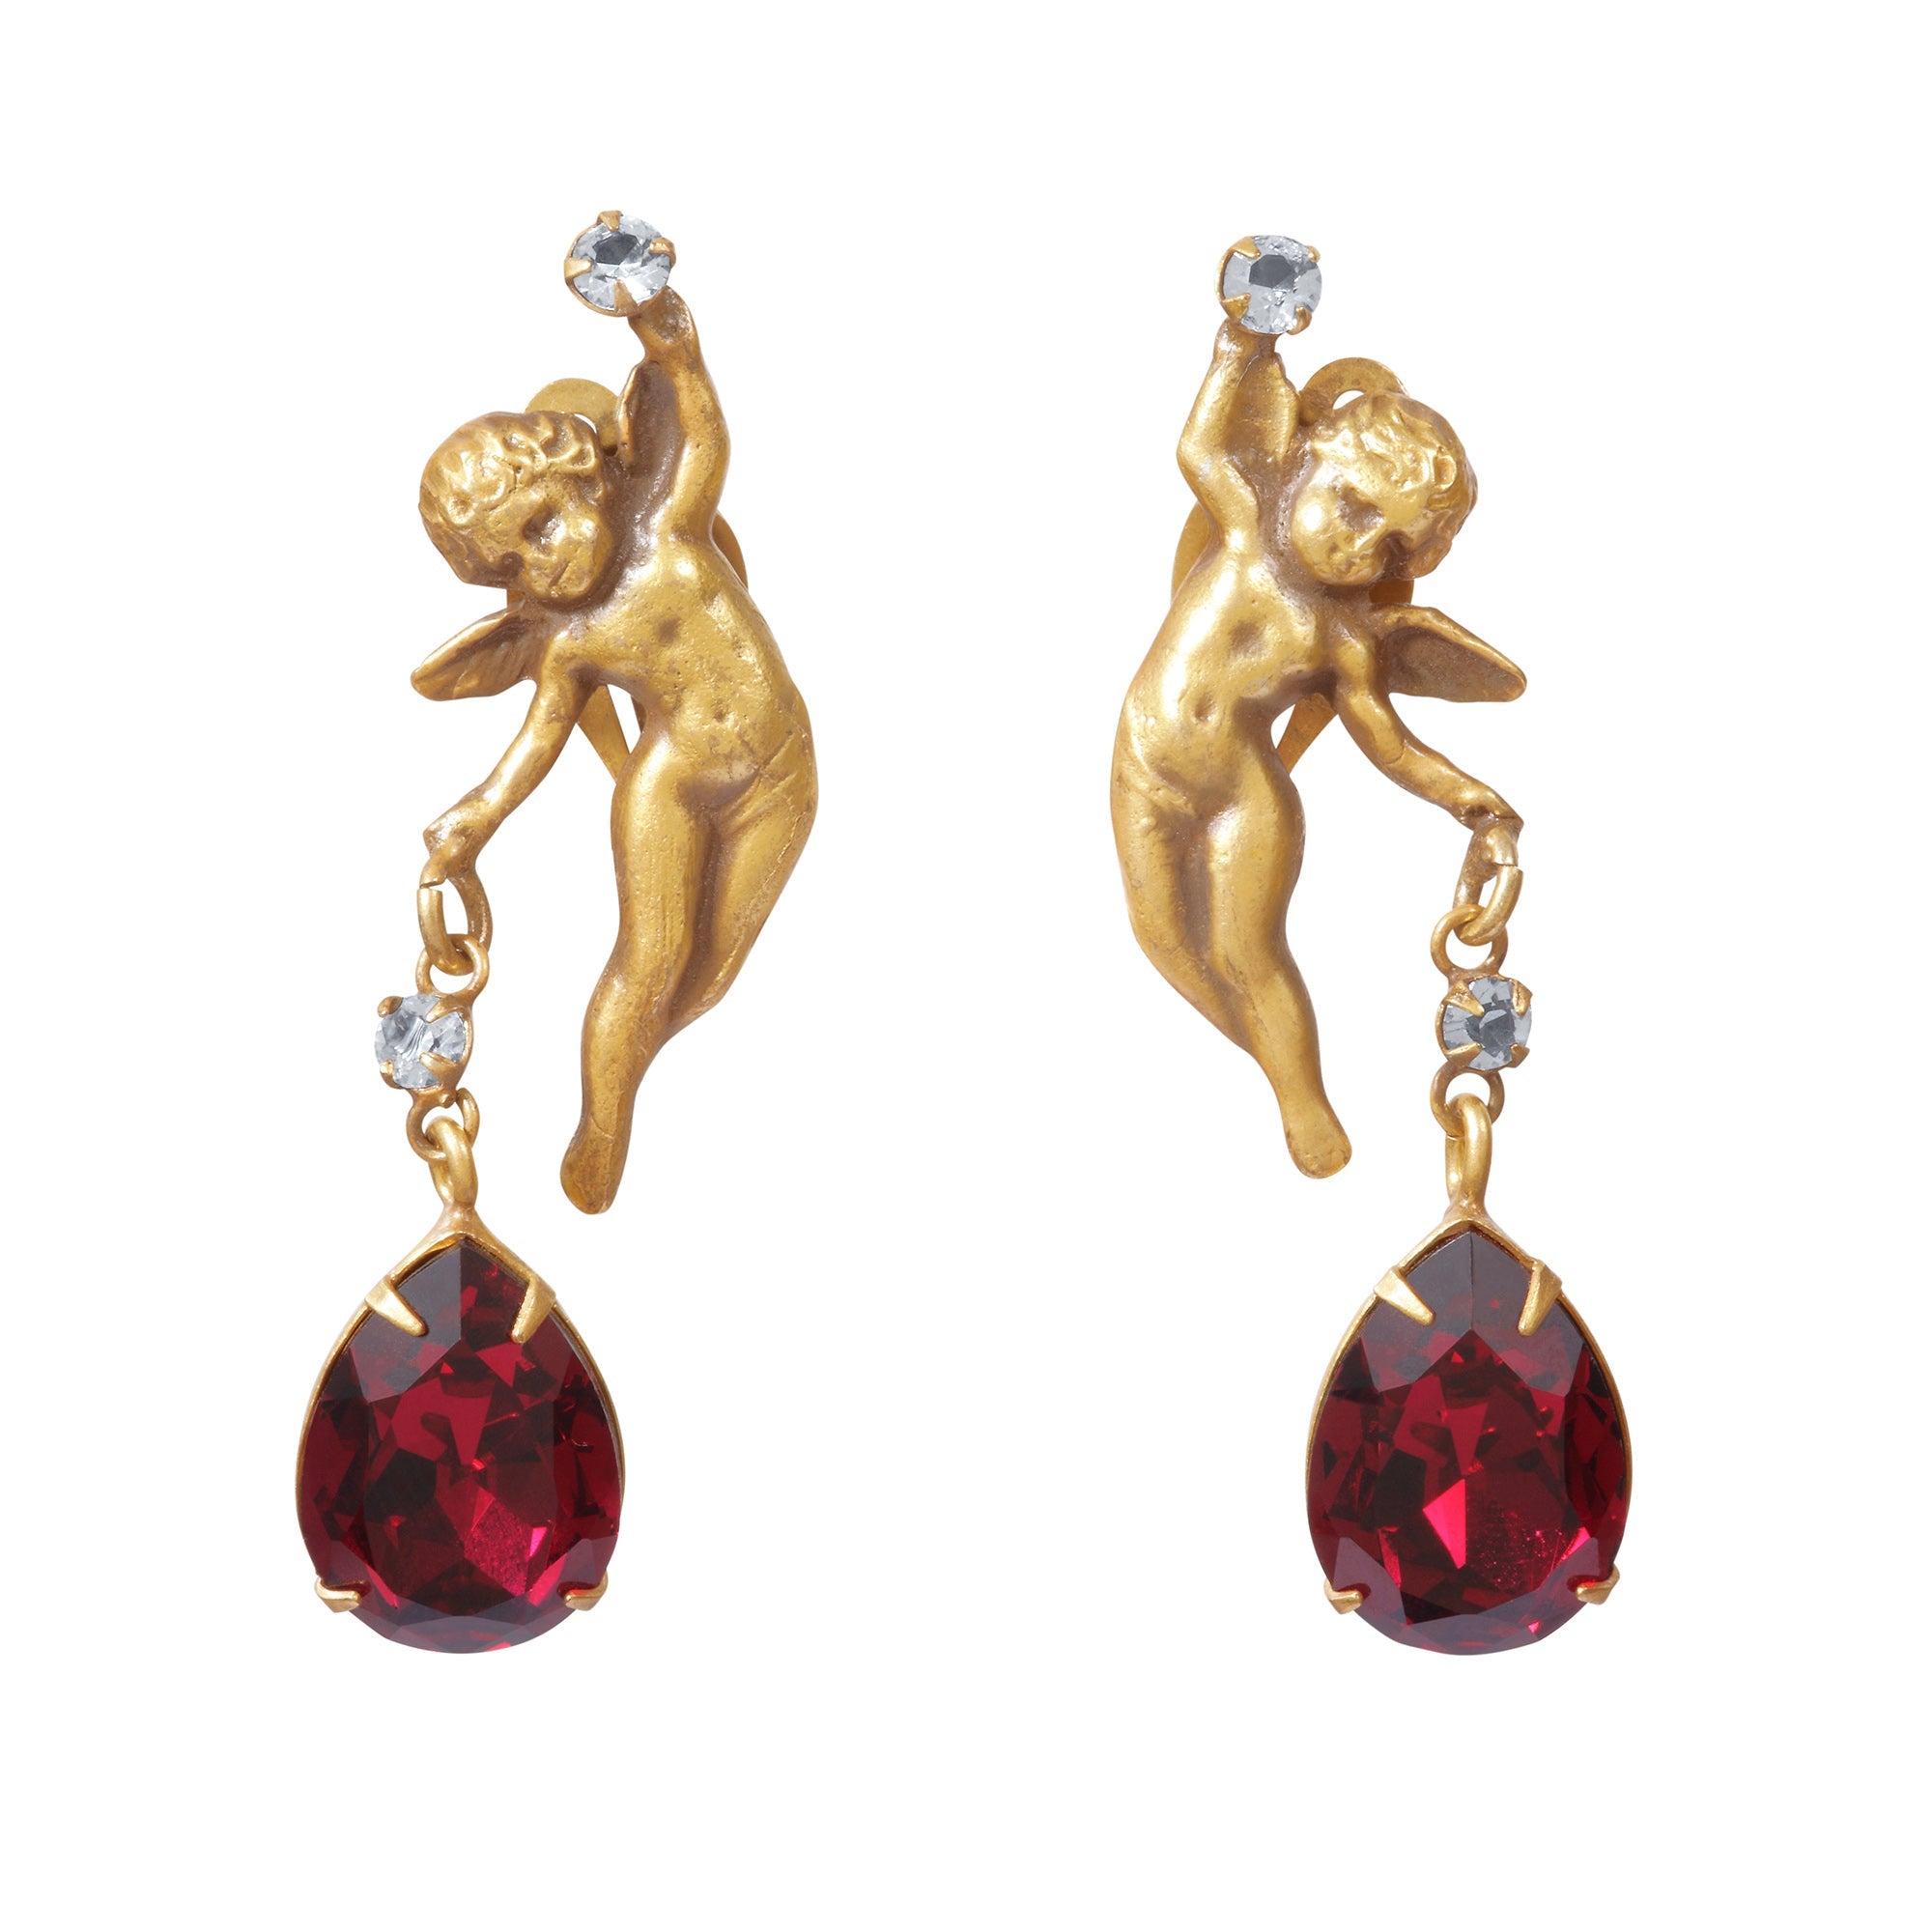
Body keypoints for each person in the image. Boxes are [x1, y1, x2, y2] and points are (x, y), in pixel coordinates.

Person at [414, 288, 816, 1213]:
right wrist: (478, 815)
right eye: (510, 567)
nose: (541, 568)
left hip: (778, 775)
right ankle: (603, 1118)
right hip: (667, 785)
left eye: (541, 528)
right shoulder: (569, 642)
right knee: (646, 962)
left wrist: (675, 349)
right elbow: (538, 740)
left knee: (704, 976)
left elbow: (703, 436)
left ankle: (635, 1056)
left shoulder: (667, 526)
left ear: (587, 478)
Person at [1111, 321, 1520, 1178]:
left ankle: (1302, 1096)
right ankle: (1274, 1060)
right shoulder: (1247, 523)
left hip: (1246, 792)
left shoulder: (1343, 639)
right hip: (1146, 762)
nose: (1360, 546)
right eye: (1353, 506)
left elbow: (1391, 746)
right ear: (1305, 461)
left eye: (1392, 545)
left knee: (1249, 952)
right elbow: (1198, 451)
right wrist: (1237, 353)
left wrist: (1467, 797)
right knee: (1161, 937)